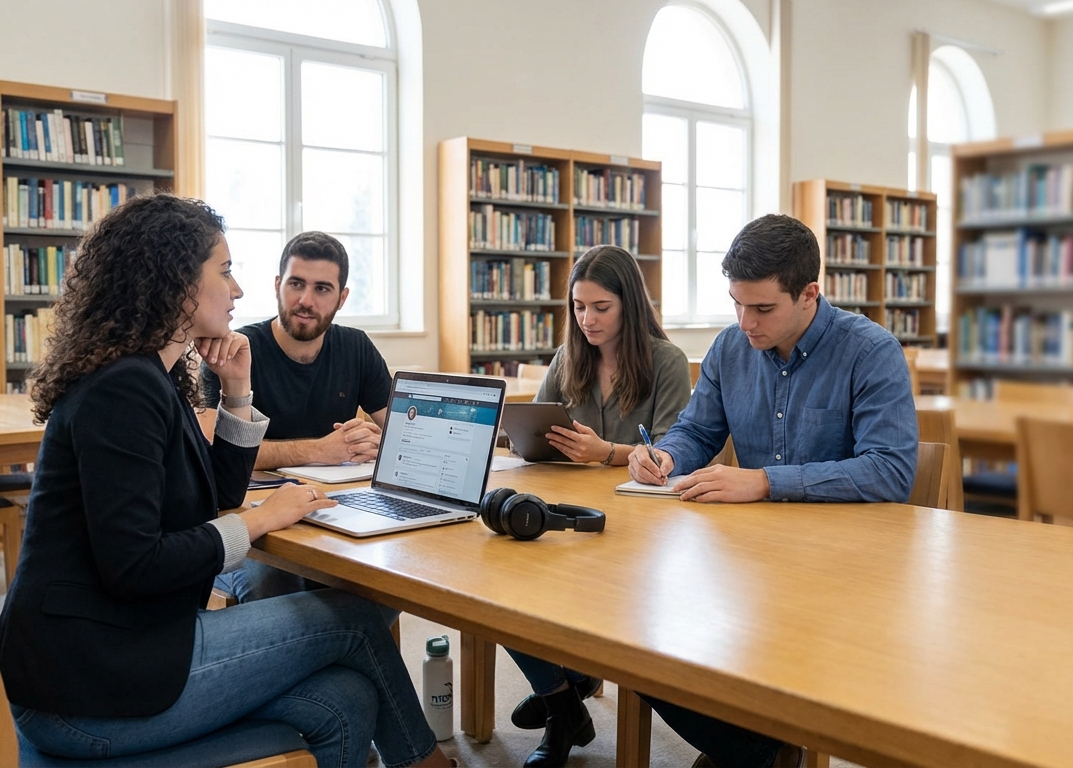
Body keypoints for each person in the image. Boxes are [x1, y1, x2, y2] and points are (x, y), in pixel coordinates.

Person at [0, 194, 449, 768]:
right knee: (356, 621)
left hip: (127, 648)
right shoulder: (123, 390)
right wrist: (263, 519)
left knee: (346, 698)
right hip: (90, 683)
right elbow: (134, 563)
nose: (238, 292)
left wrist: (238, 390)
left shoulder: (154, 379)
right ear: (174, 280)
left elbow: (216, 497)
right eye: (226, 270)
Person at [627, 213, 918, 767]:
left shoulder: (870, 351)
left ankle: (744, 747)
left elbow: (890, 470)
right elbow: (696, 430)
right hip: (748, 562)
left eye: (762, 308)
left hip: (844, 572)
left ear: (810, 294)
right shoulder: (729, 349)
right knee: (631, 638)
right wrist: (666, 454)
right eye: (736, 303)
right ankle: (749, 748)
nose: (745, 322)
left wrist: (765, 481)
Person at [506, 244, 691, 768]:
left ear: (629, 305)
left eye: (600, 307)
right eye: (578, 307)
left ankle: (566, 688)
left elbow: (674, 451)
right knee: (497, 579)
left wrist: (608, 453)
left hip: (643, 529)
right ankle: (563, 699)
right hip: (567, 514)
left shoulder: (666, 361)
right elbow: (539, 425)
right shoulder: (569, 357)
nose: (587, 319)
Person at [202, 231, 392, 602]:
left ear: (342, 297)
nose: (305, 300)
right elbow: (211, 449)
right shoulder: (237, 350)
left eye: (322, 288)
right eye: (296, 284)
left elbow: (404, 435)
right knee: (277, 587)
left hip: (332, 509)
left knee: (380, 582)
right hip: (248, 521)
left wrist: (381, 442)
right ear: (277, 285)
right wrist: (319, 450)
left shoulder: (356, 347)